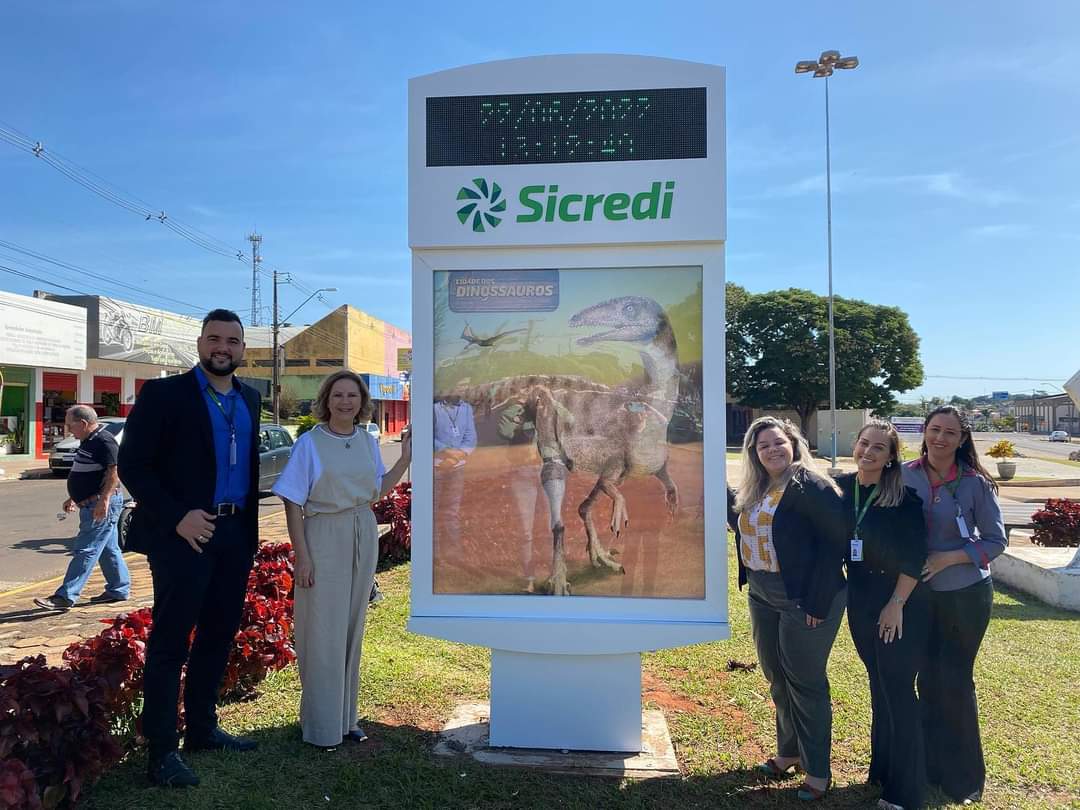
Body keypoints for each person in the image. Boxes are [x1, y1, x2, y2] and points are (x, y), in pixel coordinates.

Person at [118, 309, 261, 788]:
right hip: (184, 536)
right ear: (200, 343)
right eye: (215, 339)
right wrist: (177, 515)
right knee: (170, 643)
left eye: (233, 341)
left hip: (235, 534)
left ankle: (202, 728)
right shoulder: (164, 394)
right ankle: (162, 751)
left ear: (243, 349)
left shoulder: (251, 398)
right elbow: (133, 465)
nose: (223, 347)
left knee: (218, 635)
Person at [273, 371, 412, 748]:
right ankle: (321, 726)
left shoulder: (367, 443)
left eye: (352, 395)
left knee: (352, 627)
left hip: (362, 532)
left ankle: (347, 718)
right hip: (323, 536)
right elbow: (292, 502)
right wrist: (302, 557)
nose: (345, 402)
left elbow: (375, 491)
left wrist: (405, 459)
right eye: (338, 395)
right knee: (322, 631)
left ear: (362, 401)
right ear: (326, 400)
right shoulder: (310, 444)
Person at [733, 416, 846, 802]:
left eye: (778, 442)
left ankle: (818, 771)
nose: (772, 450)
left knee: (805, 683)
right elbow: (742, 523)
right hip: (762, 594)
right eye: (763, 446)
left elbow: (836, 545)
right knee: (777, 677)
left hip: (804, 598)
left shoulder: (811, 486)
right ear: (755, 453)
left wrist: (818, 600)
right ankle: (789, 752)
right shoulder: (758, 488)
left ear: (793, 443)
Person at [902, 406, 1006, 804]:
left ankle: (963, 780)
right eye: (934, 430)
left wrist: (950, 557)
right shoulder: (905, 474)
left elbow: (996, 542)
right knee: (925, 680)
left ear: (962, 439)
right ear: (924, 432)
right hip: (919, 595)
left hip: (965, 595)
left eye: (949, 432)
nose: (940, 438)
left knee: (955, 682)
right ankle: (929, 768)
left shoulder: (976, 483)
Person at [838, 420, 929, 810]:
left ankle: (905, 791)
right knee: (878, 684)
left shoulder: (904, 500)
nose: (868, 452)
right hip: (859, 602)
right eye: (863, 444)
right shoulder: (840, 490)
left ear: (892, 457)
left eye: (879, 448)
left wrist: (896, 605)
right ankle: (882, 769)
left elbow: (914, 557)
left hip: (897, 604)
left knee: (896, 690)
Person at [33, 405, 130, 611]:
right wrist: (73, 497)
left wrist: (104, 500)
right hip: (90, 501)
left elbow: (114, 473)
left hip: (101, 504)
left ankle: (65, 596)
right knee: (109, 549)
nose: (68, 430)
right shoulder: (89, 440)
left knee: (86, 549)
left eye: (70, 425)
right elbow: (87, 473)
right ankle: (119, 588)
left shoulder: (104, 441)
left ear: (83, 423)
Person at [433, 392, 476, 562]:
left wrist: (458, 456)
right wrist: (446, 451)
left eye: (465, 386)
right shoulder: (434, 408)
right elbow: (427, 436)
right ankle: (435, 557)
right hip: (435, 467)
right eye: (458, 385)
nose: (462, 389)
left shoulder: (466, 408)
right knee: (433, 513)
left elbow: (471, 437)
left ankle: (454, 556)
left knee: (452, 512)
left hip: (457, 467)